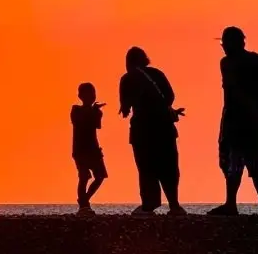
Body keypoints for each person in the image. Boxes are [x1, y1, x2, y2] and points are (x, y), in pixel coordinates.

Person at [209, 26, 258, 216]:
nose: (223, 47)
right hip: (240, 121)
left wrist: (251, 99)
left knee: (247, 164)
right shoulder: (238, 62)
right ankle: (245, 203)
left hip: (245, 122)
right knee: (242, 164)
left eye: (225, 43)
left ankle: (254, 203)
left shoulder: (239, 63)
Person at [119, 46, 186, 215]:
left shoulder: (127, 79)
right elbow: (170, 96)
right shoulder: (157, 74)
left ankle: (149, 204)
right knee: (169, 166)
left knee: (146, 167)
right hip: (164, 127)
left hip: (142, 131)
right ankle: (174, 204)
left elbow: (125, 108)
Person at [70, 83, 108, 215]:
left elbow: (97, 125)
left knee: (100, 176)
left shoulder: (95, 112)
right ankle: (84, 205)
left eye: (93, 94)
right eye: (88, 94)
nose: (92, 97)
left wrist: (96, 111)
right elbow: (79, 121)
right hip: (80, 150)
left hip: (93, 148)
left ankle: (84, 200)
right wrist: (92, 110)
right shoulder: (76, 109)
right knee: (84, 176)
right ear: (80, 96)